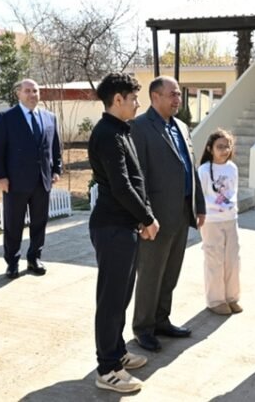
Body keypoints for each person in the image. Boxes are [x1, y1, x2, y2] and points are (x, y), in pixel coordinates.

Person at [88, 73, 160, 393]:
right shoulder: (107, 134)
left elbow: (136, 181)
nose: (138, 104)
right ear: (117, 99)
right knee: (111, 300)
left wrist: (142, 218)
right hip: (112, 227)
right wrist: (147, 218)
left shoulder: (121, 130)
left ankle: (116, 353)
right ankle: (107, 369)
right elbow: (121, 186)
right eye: (133, 98)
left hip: (125, 225)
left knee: (121, 297)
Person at [130, 75, 205, 352]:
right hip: (156, 217)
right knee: (150, 274)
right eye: (172, 94)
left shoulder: (181, 126)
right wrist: (144, 217)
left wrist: (199, 205)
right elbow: (137, 177)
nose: (178, 99)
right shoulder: (139, 127)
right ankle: (143, 328)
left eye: (179, 94)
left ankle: (161, 320)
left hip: (182, 212)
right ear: (155, 97)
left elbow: (191, 167)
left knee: (171, 272)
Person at [0, 79, 62, 279]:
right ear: (18, 94)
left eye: (35, 91)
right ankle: (12, 262)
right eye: (27, 91)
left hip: (42, 180)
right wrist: (1, 176)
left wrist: (56, 169)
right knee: (14, 224)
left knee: (39, 222)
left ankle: (34, 258)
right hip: (15, 182)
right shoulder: (6, 118)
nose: (32, 95)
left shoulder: (49, 117)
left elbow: (55, 147)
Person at [197, 128, 241, 315]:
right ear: (210, 148)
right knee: (214, 259)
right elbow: (200, 196)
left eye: (227, 146)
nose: (224, 150)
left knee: (232, 259)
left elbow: (234, 191)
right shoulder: (204, 170)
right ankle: (215, 300)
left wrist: (230, 207)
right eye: (220, 146)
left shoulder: (232, 168)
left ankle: (231, 297)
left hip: (231, 219)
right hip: (211, 221)